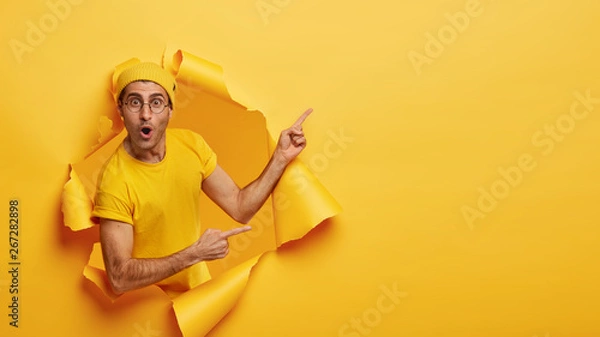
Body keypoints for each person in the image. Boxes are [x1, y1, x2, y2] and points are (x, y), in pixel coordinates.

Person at [91, 62, 312, 295]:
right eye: (135, 102)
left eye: (156, 103)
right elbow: (119, 278)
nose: (145, 114)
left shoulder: (191, 145)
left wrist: (280, 157)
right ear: (121, 110)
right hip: (145, 310)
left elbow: (240, 206)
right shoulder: (114, 182)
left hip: (198, 298)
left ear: (170, 110)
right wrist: (194, 254)